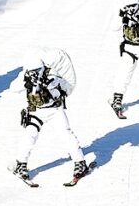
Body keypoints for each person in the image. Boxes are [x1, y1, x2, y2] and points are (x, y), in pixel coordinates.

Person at [10, 51, 92, 186]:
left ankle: (80, 162)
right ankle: (21, 164)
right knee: (29, 136)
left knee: (66, 135)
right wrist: (26, 82)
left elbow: (58, 85)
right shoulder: (25, 74)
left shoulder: (52, 73)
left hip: (54, 110)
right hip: (36, 111)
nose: (35, 73)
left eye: (37, 70)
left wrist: (44, 84)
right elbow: (13, 88)